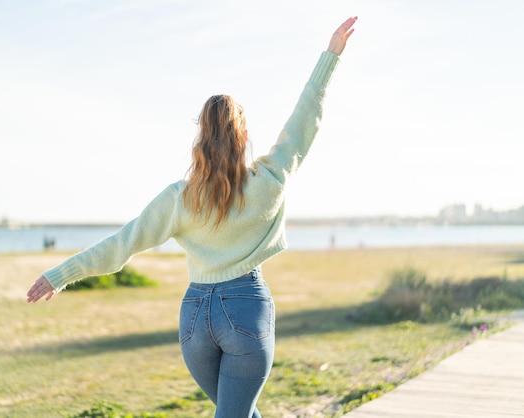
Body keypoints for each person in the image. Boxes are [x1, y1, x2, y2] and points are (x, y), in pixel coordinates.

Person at [27, 16, 357, 418]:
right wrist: (330, 57)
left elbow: (121, 244)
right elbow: (305, 119)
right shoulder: (269, 179)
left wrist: (60, 275)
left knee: (238, 412)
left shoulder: (181, 199)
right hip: (245, 311)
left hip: (194, 319)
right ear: (243, 136)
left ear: (201, 136)